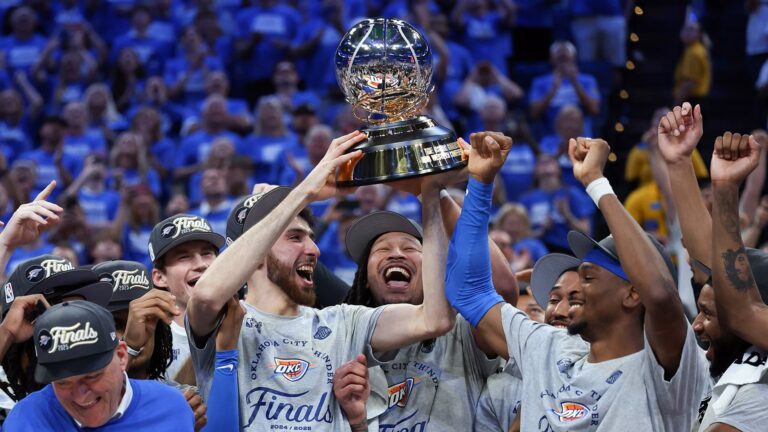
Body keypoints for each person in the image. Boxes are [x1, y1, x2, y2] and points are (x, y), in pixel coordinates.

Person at [185, 131, 460, 430]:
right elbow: (205, 295)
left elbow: (434, 320)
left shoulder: (344, 322)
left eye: (311, 238)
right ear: (259, 252)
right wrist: (305, 192)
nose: (314, 250)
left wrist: (430, 196)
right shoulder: (227, 322)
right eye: (295, 237)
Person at [444, 132, 709, 430]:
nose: (573, 288)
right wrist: (480, 182)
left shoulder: (667, 368)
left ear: (633, 294)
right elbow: (468, 291)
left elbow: (659, 295)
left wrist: (596, 183)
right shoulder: (547, 348)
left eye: (588, 278)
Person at [338, 195, 515, 430]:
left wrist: (432, 194)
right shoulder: (345, 338)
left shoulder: (460, 329)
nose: (396, 254)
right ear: (365, 279)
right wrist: (356, 421)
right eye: (382, 249)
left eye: (410, 248)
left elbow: (501, 289)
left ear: (433, 270)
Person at [3, 301, 194, 430]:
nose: (80, 395)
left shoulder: (171, 406)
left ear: (121, 356)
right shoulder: (27, 420)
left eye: (92, 376)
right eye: (63, 382)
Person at [473, 253, 581, 432]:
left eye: (577, 301)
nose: (559, 311)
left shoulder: (621, 374)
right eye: (553, 299)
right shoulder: (500, 389)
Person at [145, 213, 224, 382]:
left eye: (207, 253)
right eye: (184, 257)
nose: (201, 264)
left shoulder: (248, 318)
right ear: (160, 277)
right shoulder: (150, 339)